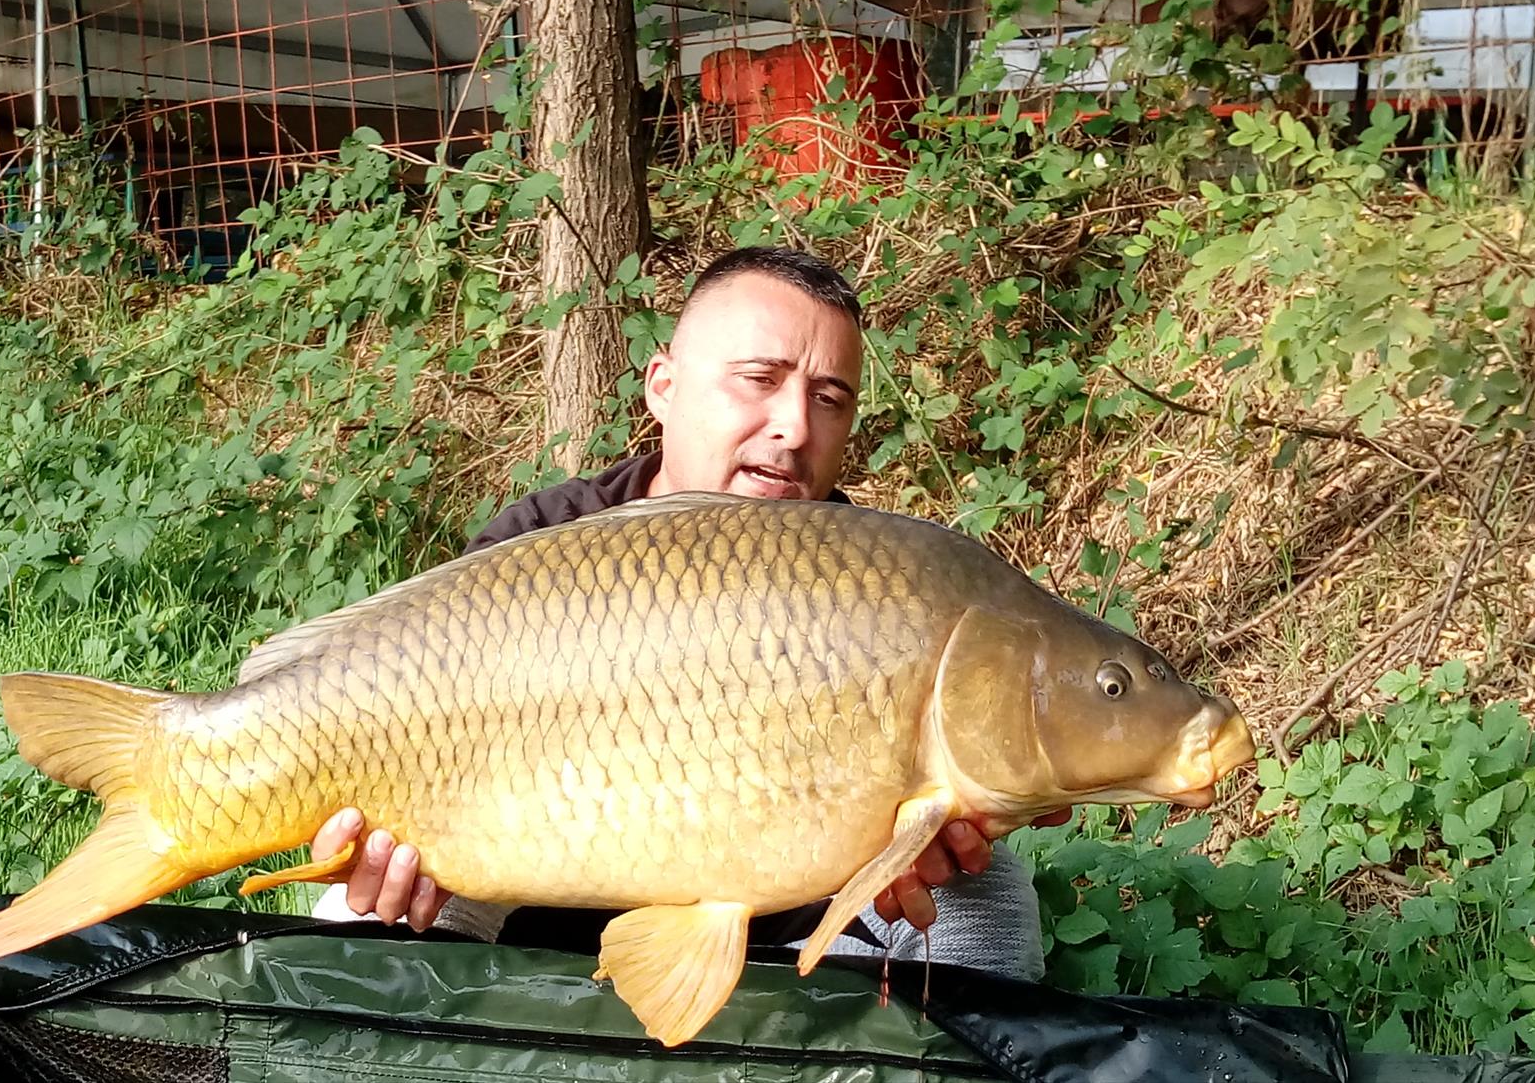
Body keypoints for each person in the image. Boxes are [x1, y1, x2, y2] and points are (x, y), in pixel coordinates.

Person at [293, 245, 1067, 978]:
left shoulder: (876, 584)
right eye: (760, 378)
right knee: (367, 902)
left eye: (829, 398)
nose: (795, 427)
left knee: (985, 895)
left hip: (791, 923)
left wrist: (964, 816)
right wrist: (377, 846)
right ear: (662, 385)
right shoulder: (537, 543)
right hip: (543, 896)